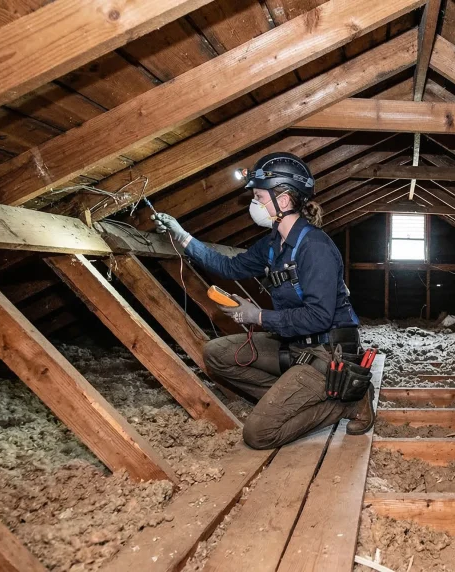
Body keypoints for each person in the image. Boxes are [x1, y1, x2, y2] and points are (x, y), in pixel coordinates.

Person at [150, 152, 373, 449]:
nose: (254, 204)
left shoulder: (315, 248)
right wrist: (182, 236)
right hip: (294, 345)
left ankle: (347, 402)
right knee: (216, 353)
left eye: (258, 196)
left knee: (258, 434)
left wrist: (257, 317)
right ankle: (294, 400)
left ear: (282, 201)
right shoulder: (271, 244)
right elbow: (228, 267)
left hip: (327, 352)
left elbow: (318, 316)